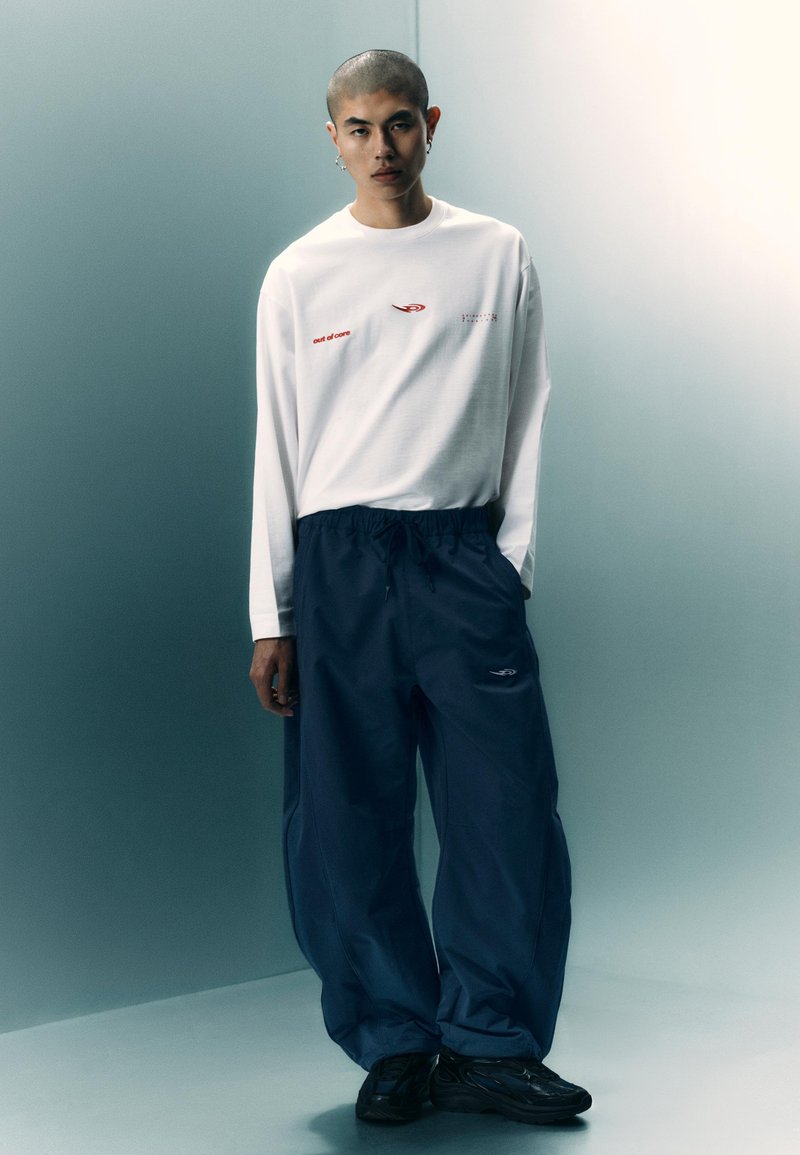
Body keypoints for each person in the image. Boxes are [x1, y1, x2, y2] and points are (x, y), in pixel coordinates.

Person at [248, 49, 592, 1127]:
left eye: (399, 123)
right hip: (338, 560)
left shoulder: (495, 253)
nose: (382, 147)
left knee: (505, 808)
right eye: (359, 128)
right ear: (333, 138)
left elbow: (529, 407)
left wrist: (510, 560)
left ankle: (490, 1041)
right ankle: (395, 1037)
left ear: (429, 124)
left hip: (460, 555)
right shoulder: (299, 273)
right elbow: (277, 445)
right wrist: (273, 613)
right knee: (345, 815)